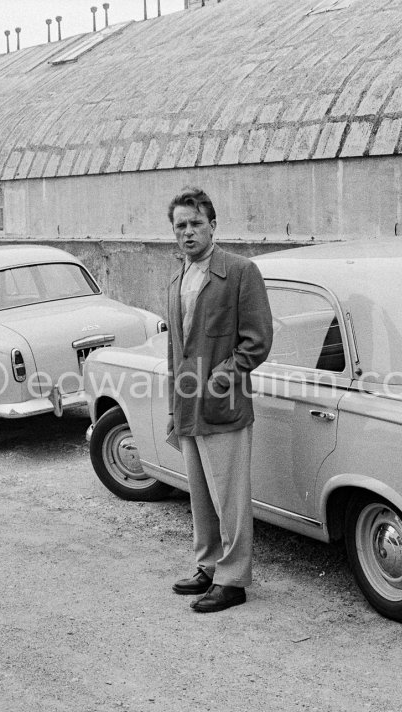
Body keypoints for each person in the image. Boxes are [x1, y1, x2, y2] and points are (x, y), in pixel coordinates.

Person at [166, 187, 273, 613]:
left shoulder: (241, 271)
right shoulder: (177, 278)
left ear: (213, 225)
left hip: (222, 405)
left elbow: (257, 341)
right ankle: (209, 565)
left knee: (230, 495)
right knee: (200, 494)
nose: (188, 233)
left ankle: (233, 580)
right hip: (188, 405)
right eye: (180, 226)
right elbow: (175, 351)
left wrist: (219, 380)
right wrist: (173, 408)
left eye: (195, 224)